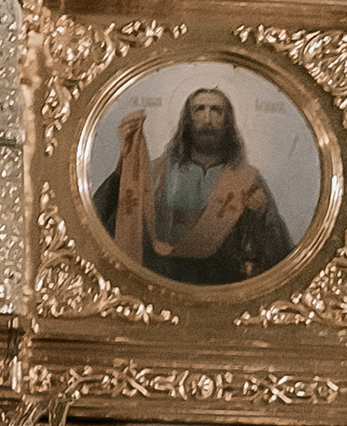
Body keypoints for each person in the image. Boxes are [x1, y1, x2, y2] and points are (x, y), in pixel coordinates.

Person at [92, 87, 294, 286]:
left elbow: (278, 253)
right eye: (199, 109)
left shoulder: (247, 180)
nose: (207, 119)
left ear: (228, 121)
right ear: (187, 120)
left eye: (216, 110)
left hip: (222, 282)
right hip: (162, 278)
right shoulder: (157, 171)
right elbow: (105, 215)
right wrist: (127, 162)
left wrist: (259, 214)